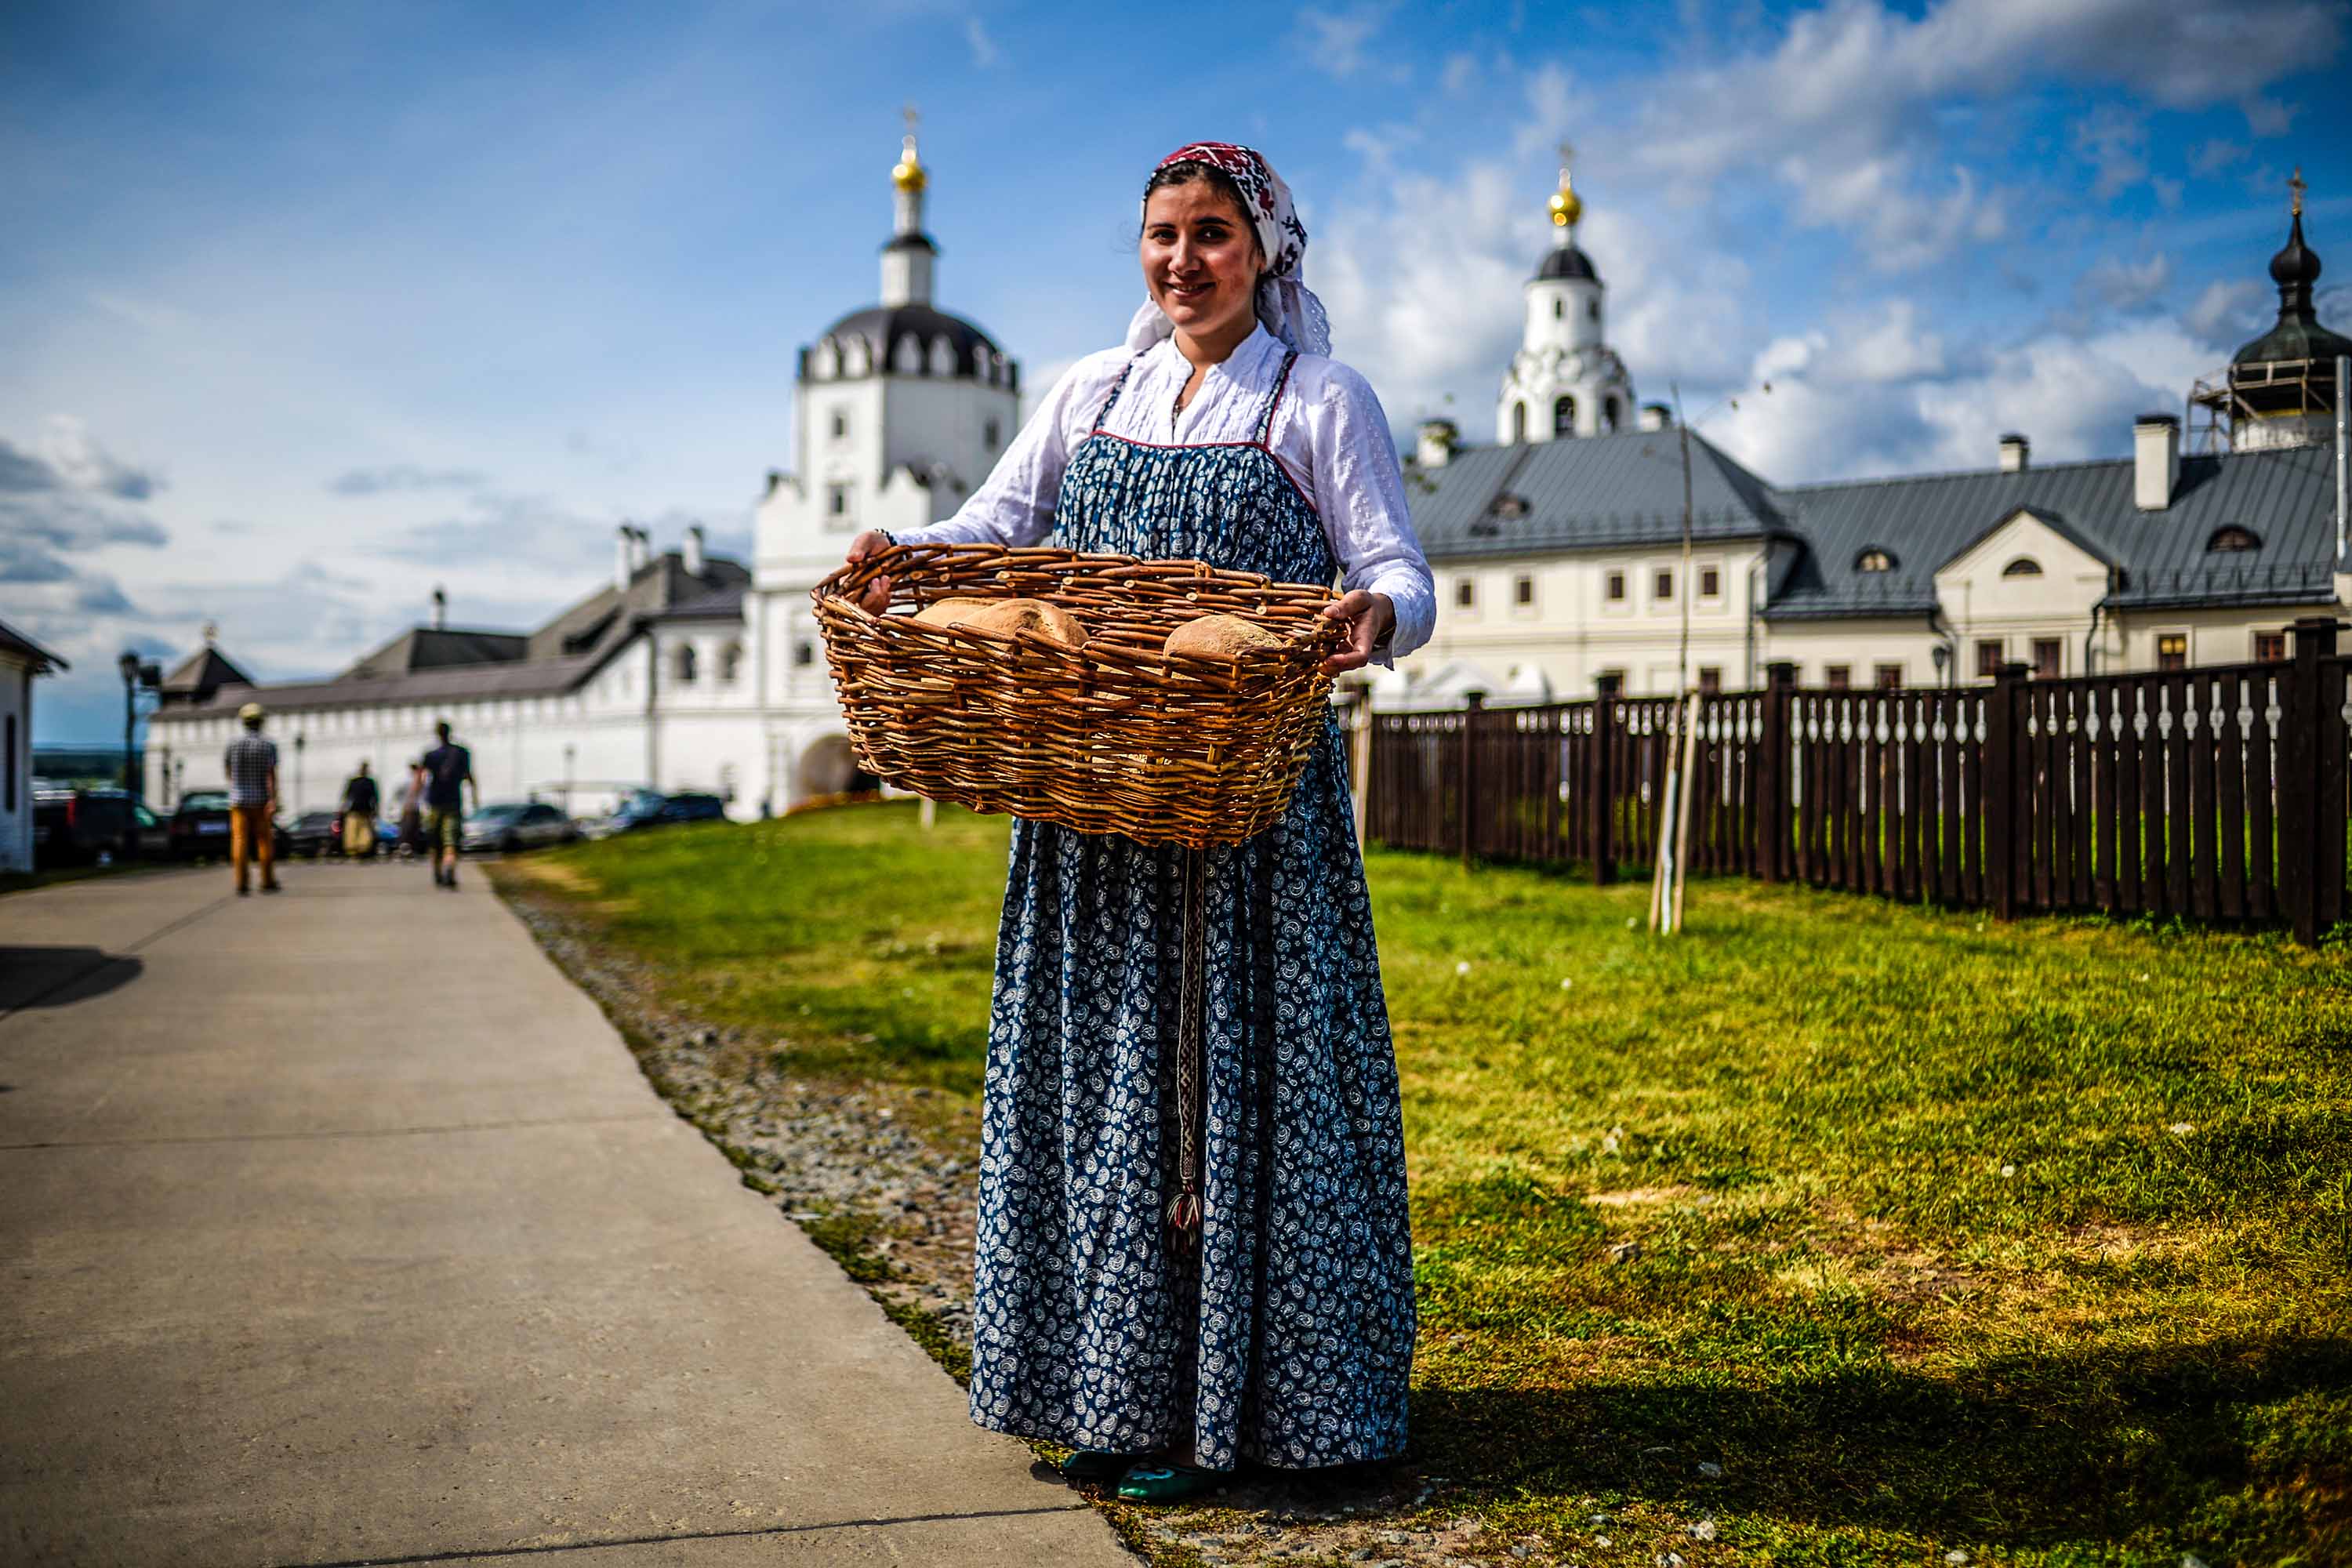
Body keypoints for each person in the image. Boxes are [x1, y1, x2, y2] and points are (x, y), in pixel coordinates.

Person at [844, 143, 1434, 1503]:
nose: (1183, 260)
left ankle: (1276, 1413)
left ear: (1265, 250)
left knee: (1243, 1081)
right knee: (1110, 1084)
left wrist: (1376, 616)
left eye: (1213, 234)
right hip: (1096, 808)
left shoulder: (1319, 399)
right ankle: (1107, 1399)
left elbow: (1396, 563)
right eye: (1163, 235)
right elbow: (995, 529)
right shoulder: (1088, 391)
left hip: (1249, 814)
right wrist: (905, 556)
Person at [222, 700, 281, 896]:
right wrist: (273, 799)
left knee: (239, 840)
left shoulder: (233, 745)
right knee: (264, 841)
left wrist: (236, 788)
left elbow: (229, 772)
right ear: (261, 722)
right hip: (261, 800)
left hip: (238, 800)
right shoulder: (268, 745)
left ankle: (241, 881)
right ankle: (267, 880)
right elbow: (270, 775)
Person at [418, 721, 477, 888]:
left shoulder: (430, 755)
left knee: (434, 841)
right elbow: (469, 776)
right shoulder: (461, 753)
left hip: (434, 803)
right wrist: (474, 796)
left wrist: (415, 797)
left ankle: (437, 872)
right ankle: (449, 867)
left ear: (437, 734)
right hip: (453, 802)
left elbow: (420, 778)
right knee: (451, 841)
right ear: (450, 732)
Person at [341, 760, 379, 859]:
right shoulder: (358, 782)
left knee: (361, 831)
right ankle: (355, 850)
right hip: (356, 811)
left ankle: (360, 850)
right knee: (354, 831)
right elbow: (347, 797)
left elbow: (375, 798)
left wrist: (375, 809)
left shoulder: (368, 782)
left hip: (363, 811)